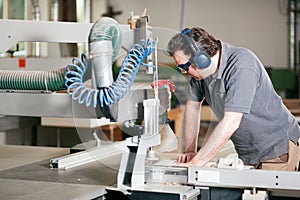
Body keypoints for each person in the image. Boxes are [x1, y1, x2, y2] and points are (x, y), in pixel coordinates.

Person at [167, 27, 300, 171]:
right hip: (247, 154)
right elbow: (192, 107)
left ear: (201, 59)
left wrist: (197, 163)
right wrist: (190, 151)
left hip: (277, 149)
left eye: (185, 67)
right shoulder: (200, 75)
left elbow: (232, 121)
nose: (184, 72)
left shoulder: (241, 64)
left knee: (268, 193)